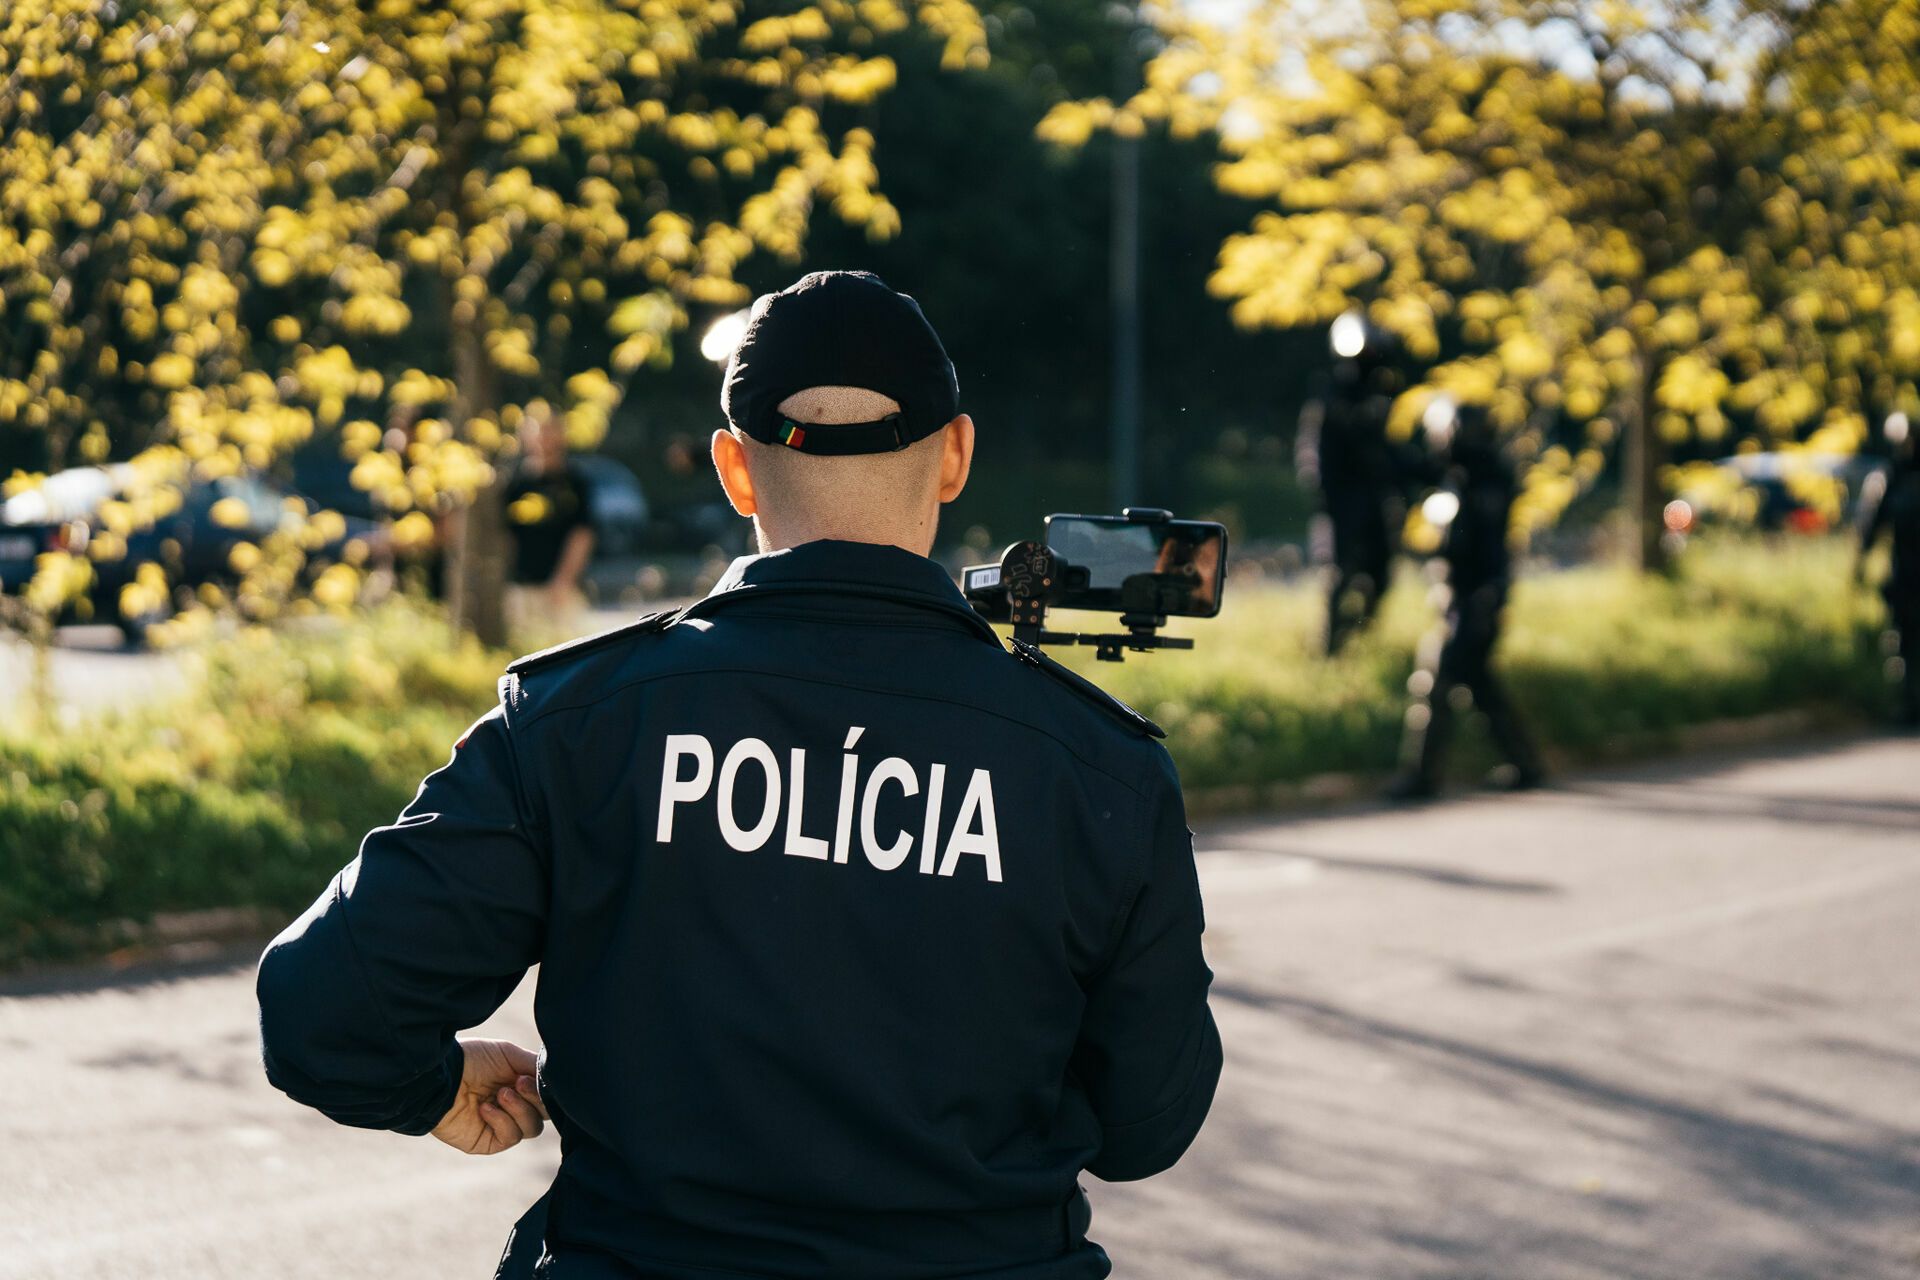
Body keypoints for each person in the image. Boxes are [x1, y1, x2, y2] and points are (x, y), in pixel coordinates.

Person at [255, 270, 1221, 1280]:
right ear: (956, 456)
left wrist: (440, 1084)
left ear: (733, 468)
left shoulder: (578, 721)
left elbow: (325, 1008)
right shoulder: (1098, 765)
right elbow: (1146, 1124)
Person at [1387, 399, 1545, 801]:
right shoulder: (1467, 476)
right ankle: (1525, 763)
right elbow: (1412, 471)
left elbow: (1472, 548)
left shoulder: (1483, 481)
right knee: (1479, 684)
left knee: (1437, 681)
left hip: (1474, 601)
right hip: (1468, 599)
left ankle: (1421, 777)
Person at [1296, 310, 1407, 655]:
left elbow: (1391, 453)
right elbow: (1315, 455)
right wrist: (1326, 498)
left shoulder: (1382, 395)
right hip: (1341, 501)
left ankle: (1360, 637)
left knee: (1381, 574)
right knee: (1340, 575)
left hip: (1373, 499)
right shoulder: (1332, 396)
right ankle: (1331, 648)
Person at [502, 401, 595, 638]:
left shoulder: (575, 483)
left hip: (562, 589)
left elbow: (582, 534)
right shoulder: (515, 484)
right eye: (538, 431)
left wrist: (563, 581)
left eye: (549, 430)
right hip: (522, 588)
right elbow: (505, 537)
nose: (544, 438)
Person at [1856, 410, 1920, 727]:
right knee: (1904, 638)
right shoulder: (1892, 477)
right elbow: (1874, 523)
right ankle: (1909, 701)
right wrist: (1861, 562)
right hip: (1905, 575)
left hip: (1908, 573)